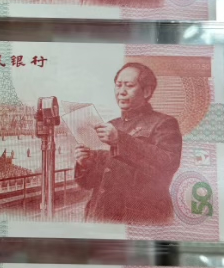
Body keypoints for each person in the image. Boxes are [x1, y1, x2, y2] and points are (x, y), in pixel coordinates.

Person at [74, 62, 182, 225]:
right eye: (118, 85)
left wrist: (120, 139)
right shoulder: (112, 125)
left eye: (129, 86)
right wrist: (86, 164)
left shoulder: (164, 123)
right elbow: (89, 184)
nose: (121, 92)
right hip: (101, 215)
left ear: (146, 91)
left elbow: (168, 163)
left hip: (141, 217)